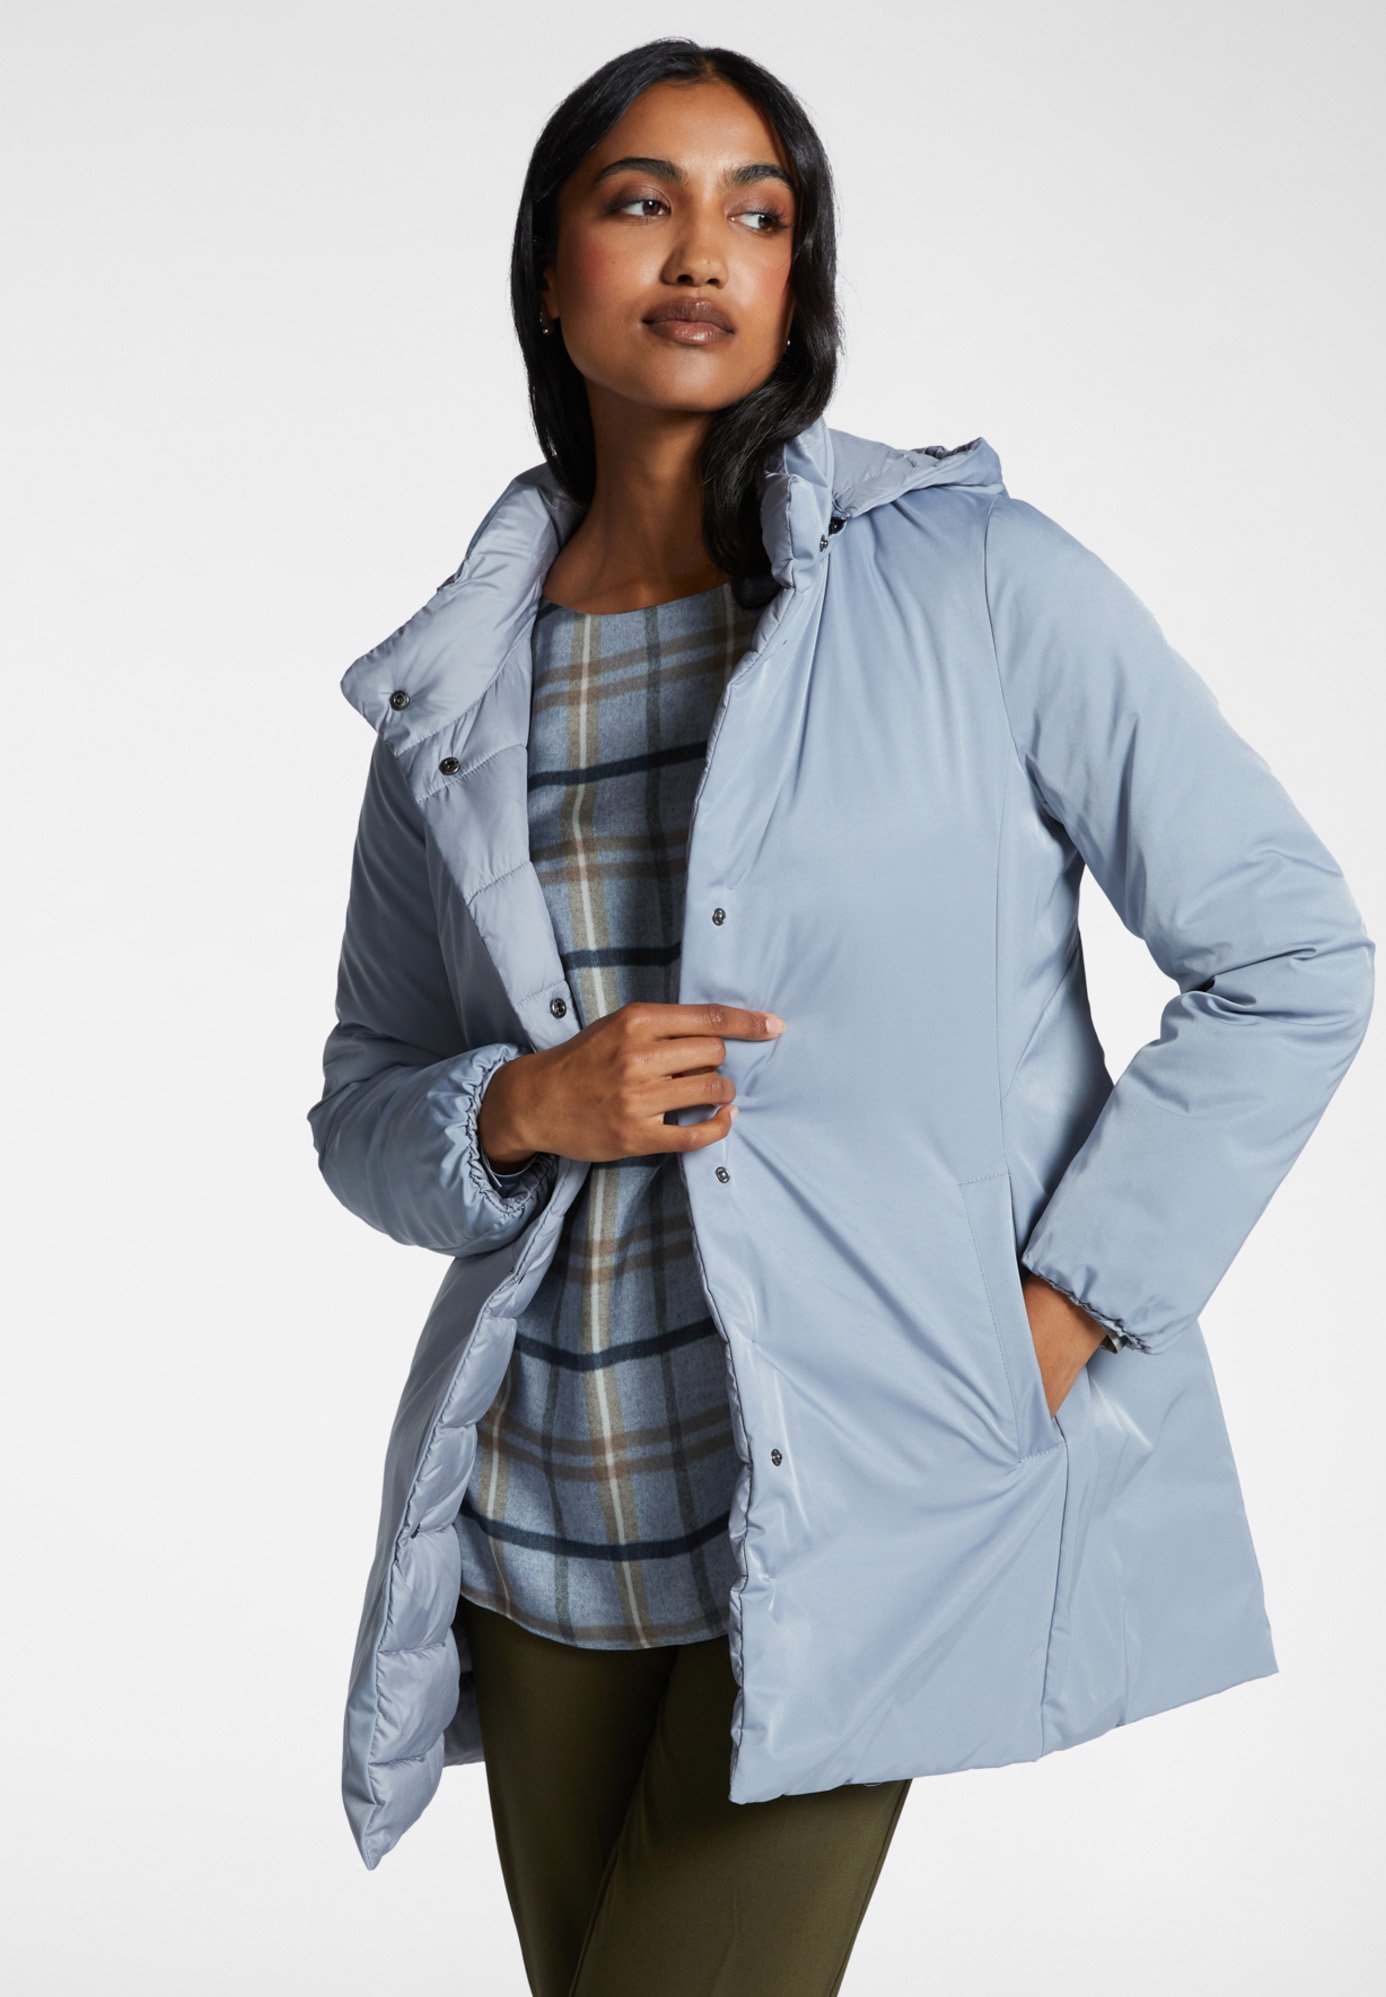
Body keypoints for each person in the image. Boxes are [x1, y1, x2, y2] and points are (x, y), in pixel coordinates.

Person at [306, 36, 1375, 1997]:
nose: (701, 249)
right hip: (541, 1523)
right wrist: (524, 1105)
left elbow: (1294, 957)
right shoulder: (455, 695)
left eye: (761, 210)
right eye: (642, 200)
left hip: (854, 1505)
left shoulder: (973, 586)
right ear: (549, 270)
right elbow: (363, 1111)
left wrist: (1057, 1313)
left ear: (799, 276)